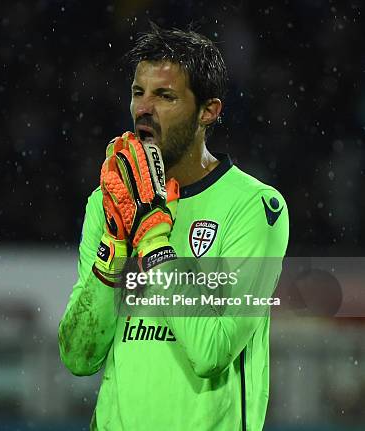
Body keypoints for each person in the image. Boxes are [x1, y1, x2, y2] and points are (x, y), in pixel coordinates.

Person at [58, 24, 289, 430]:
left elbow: (211, 352)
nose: (143, 109)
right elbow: (79, 356)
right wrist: (114, 245)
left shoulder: (255, 207)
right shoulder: (107, 201)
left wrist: (152, 237)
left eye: (165, 96)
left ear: (208, 110)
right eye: (138, 93)